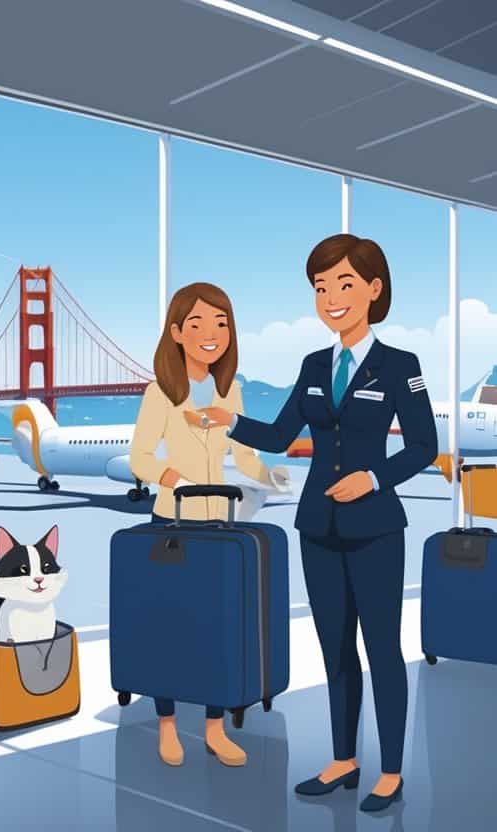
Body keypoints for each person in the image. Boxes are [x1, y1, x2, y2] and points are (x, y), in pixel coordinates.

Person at [199, 234, 436, 812]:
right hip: (318, 529)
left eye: (345, 284)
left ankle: (393, 771)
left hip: (376, 527)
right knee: (335, 650)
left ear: (375, 290)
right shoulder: (311, 365)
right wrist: (228, 421)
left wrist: (374, 477)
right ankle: (343, 759)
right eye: (321, 287)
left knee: (382, 649)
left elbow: (425, 446)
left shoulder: (400, 366)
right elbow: (281, 437)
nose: (331, 297)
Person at [129, 281, 287, 768]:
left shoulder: (229, 390)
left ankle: (215, 728)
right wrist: (169, 477)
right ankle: (168, 725)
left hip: (218, 522)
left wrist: (270, 476)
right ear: (177, 332)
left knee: (217, 625)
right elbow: (138, 456)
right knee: (169, 624)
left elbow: (242, 453)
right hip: (172, 520)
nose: (210, 333)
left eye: (220, 323)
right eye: (196, 323)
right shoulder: (161, 392)